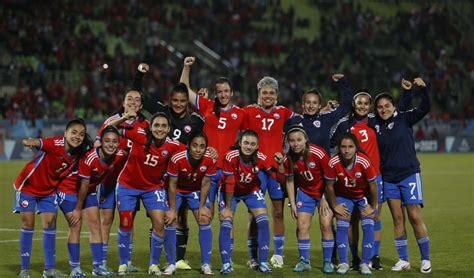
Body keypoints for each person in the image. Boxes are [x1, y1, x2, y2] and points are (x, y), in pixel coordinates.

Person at [330, 85, 411, 270]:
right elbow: (331, 141)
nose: (363, 106)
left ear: (370, 106)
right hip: (352, 179)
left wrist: (407, 93)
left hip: (375, 178)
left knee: (373, 217)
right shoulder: (345, 124)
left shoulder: (377, 121)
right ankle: (355, 258)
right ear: (354, 104)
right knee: (351, 220)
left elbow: (399, 112)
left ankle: (373, 256)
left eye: (367, 103)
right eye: (360, 103)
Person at [139, 61, 206, 271]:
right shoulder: (162, 111)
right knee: (159, 218)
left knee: (181, 217)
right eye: (175, 100)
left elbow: (201, 143)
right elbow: (138, 96)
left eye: (182, 101)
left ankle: (178, 258)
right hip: (159, 176)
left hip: (182, 177)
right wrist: (140, 75)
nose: (178, 104)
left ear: (188, 102)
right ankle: (155, 260)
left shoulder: (196, 121)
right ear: (170, 100)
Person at [180, 57, 246, 269]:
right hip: (206, 174)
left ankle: (227, 261)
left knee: (227, 217)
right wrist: (187, 67)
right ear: (215, 93)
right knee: (205, 216)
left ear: (232, 92)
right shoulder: (207, 106)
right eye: (219, 91)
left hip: (227, 173)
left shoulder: (241, 114)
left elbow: (254, 136)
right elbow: (183, 89)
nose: (223, 95)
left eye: (226, 91)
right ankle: (206, 263)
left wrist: (237, 151)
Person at [14, 118, 91, 278]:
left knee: (50, 225)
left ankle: (49, 270)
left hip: (49, 191)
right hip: (28, 186)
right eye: (74, 132)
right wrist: (29, 142)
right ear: (65, 133)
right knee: (28, 225)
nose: (77, 136)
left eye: (81, 134)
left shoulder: (78, 153)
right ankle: (24, 270)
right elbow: (37, 142)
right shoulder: (57, 143)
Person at [369, 77, 431, 273]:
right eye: (380, 107)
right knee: (397, 219)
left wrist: (423, 90)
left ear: (393, 107)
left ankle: (425, 259)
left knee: (414, 216)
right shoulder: (374, 125)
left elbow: (424, 108)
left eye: (387, 106)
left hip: (409, 175)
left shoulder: (404, 118)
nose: (383, 109)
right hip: (389, 179)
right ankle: (403, 259)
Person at [111, 112, 185, 276]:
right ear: (150, 127)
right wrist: (124, 118)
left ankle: (153, 265)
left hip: (152, 188)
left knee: (159, 223)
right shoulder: (138, 135)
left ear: (169, 129)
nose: (160, 129)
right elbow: (110, 128)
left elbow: (192, 152)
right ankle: (123, 264)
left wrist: (211, 152)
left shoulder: (173, 145)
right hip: (127, 185)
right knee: (125, 222)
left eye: (163, 126)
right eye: (156, 125)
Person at [95, 72, 149, 273]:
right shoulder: (113, 121)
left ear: (141, 105)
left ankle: (126, 261)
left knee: (128, 221)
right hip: (109, 180)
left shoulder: (145, 125)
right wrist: (124, 119)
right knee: (106, 220)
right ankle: (101, 262)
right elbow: (99, 139)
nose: (133, 102)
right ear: (124, 102)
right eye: (129, 99)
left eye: (137, 100)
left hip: (131, 183)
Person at [242, 76, 295, 268]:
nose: (268, 96)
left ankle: (278, 255)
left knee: (278, 213)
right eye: (264, 92)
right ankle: (252, 256)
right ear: (258, 94)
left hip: (276, 170)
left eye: (272, 93)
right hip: (256, 170)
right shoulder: (248, 112)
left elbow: (303, 120)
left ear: (277, 96)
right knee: (255, 214)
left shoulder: (283, 113)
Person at [58, 126, 124, 277]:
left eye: (114, 141)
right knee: (76, 225)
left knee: (95, 224)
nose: (111, 144)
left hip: (88, 190)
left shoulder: (120, 155)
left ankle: (98, 267)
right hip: (69, 188)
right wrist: (77, 209)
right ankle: (75, 268)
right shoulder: (90, 158)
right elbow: (83, 186)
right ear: (100, 143)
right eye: (107, 141)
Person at [274, 126, 334, 273]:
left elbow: (330, 180)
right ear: (288, 142)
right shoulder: (288, 158)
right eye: (292, 141)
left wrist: (325, 198)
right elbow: (289, 181)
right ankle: (304, 261)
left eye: (299, 140)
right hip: (305, 194)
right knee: (302, 226)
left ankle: (328, 262)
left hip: (323, 193)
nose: (296, 144)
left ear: (306, 140)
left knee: (326, 224)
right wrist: (293, 204)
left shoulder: (319, 153)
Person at [218, 130, 273, 274]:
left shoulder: (261, 157)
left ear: (257, 146)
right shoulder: (231, 157)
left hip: (250, 191)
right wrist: (228, 208)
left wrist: (279, 166)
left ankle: (264, 262)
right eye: (246, 143)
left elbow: (273, 173)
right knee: (227, 222)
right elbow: (229, 183)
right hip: (230, 192)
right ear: (240, 143)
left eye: (252, 144)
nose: (249, 146)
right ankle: (226, 263)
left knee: (264, 221)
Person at [325, 133, 378, 275]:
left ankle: (365, 263)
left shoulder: (364, 162)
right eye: (343, 147)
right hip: (343, 197)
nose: (347, 150)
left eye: (350, 147)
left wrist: (373, 207)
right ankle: (343, 263)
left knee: (368, 225)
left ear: (356, 148)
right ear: (339, 148)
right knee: (342, 225)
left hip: (362, 197)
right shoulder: (333, 162)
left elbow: (373, 186)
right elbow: (329, 186)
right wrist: (335, 205)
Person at [166, 132, 217, 275]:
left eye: (202, 146)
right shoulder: (177, 159)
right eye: (195, 146)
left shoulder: (210, 160)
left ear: (206, 148)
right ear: (188, 146)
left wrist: (202, 207)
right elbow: (172, 184)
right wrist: (172, 209)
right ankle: (171, 263)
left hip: (194, 190)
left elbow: (206, 183)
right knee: (171, 220)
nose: (198, 150)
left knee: (205, 219)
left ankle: (206, 263)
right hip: (177, 190)